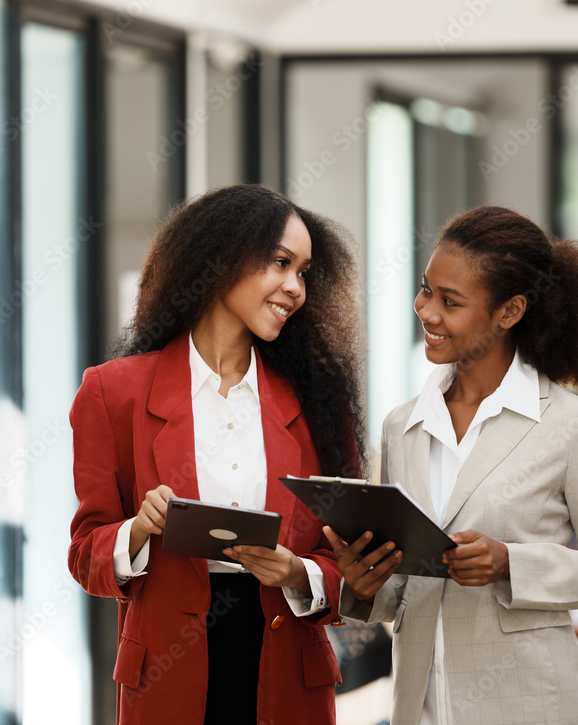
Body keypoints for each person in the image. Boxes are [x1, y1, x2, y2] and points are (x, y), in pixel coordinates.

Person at [324, 206, 578, 725]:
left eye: (451, 302)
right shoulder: (402, 426)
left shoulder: (573, 425)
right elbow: (399, 596)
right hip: (420, 707)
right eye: (427, 290)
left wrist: (510, 564)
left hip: (532, 706)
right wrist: (363, 583)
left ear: (510, 311)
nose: (426, 311)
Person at [68, 184, 365, 725]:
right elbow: (86, 553)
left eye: (303, 272)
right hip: (168, 675)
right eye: (280, 263)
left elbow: (355, 559)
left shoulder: (318, 400)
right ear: (222, 259)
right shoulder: (114, 393)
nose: (295, 287)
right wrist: (137, 529)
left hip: (286, 669)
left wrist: (298, 573)